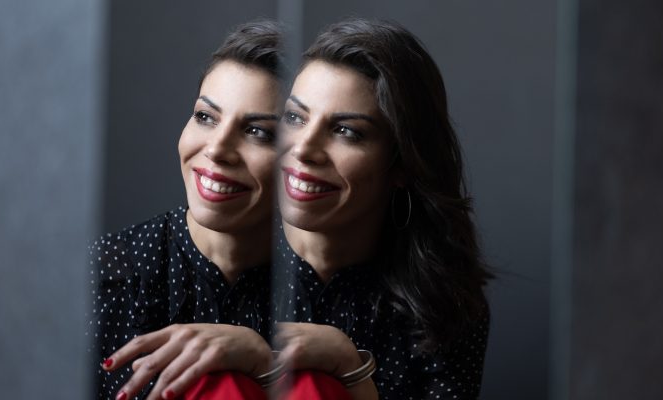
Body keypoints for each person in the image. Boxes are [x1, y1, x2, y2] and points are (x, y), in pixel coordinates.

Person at [273, 18, 493, 399]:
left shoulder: (442, 304)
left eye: (346, 131)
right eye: (295, 117)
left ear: (402, 165)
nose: (304, 148)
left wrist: (350, 369)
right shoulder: (208, 259)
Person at [88, 21, 284, 400]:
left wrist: (267, 361)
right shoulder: (104, 277)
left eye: (257, 132)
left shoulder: (328, 288)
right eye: (205, 117)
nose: (217, 149)